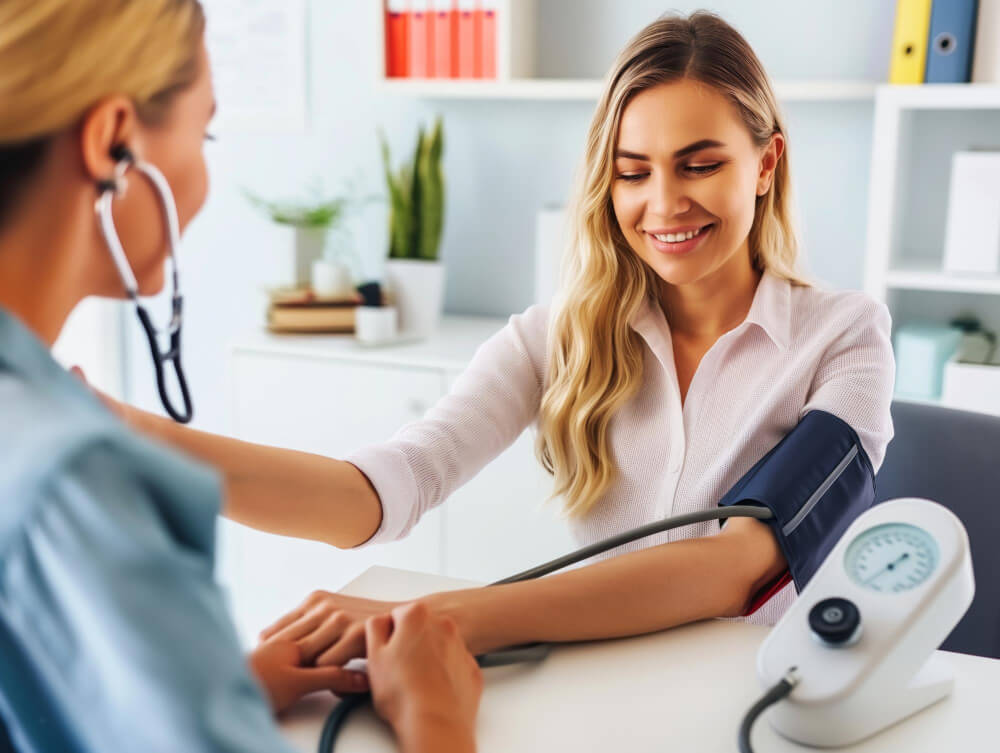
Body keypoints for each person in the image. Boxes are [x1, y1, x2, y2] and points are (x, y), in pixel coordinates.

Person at [117, 15, 893, 674]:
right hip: (596, 682)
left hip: (755, 690)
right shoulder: (559, 335)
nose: (663, 204)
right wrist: (138, 442)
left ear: (766, 163)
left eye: (701, 164)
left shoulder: (845, 338)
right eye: (632, 172)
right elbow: (383, 490)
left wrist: (443, 617)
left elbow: (734, 568)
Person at [0, 2, 482, 752]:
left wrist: (215, 685)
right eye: (205, 132)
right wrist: (435, 714)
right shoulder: (78, 476)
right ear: (112, 144)